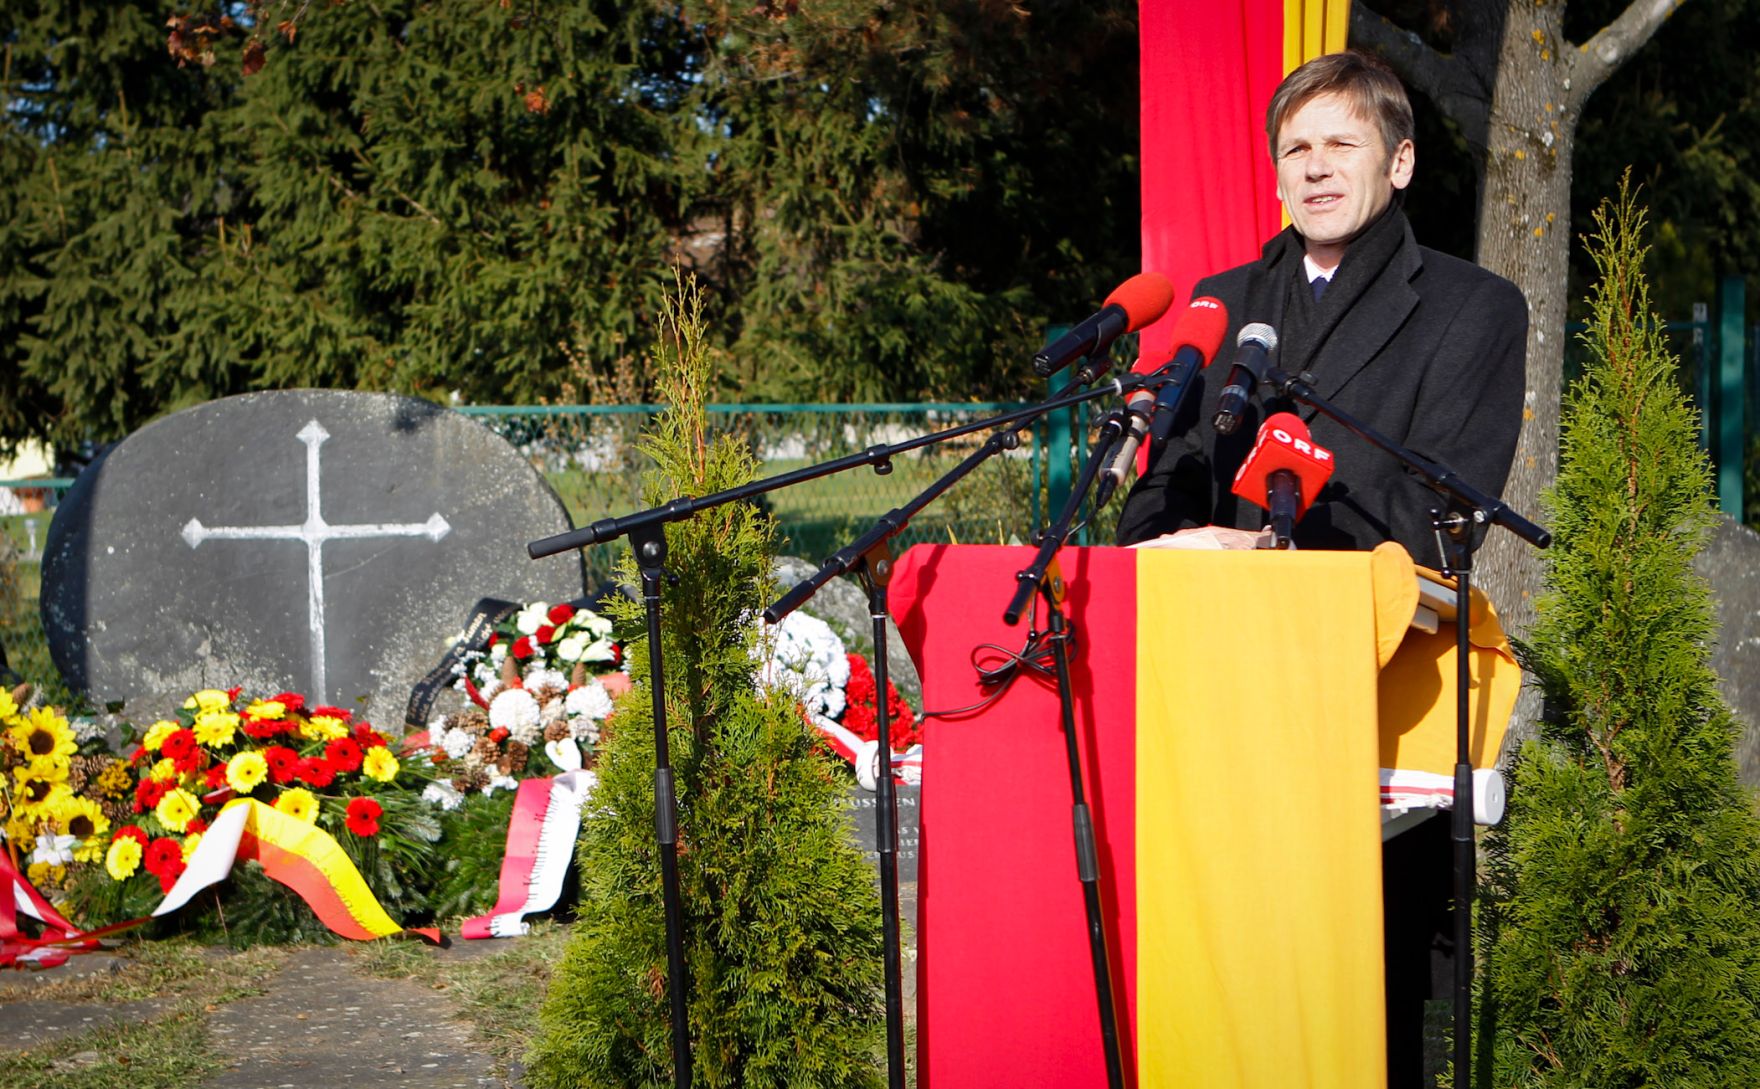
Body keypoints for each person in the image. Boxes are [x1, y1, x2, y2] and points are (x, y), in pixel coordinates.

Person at [1115, 49, 1527, 568]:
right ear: (1277, 172)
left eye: (1341, 144)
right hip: (1215, 621)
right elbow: (1174, 476)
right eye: (1296, 150)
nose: (1315, 168)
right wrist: (1160, 552)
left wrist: (1267, 548)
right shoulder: (1224, 300)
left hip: (1375, 627)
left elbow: (1443, 514)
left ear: (1400, 163)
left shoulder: (1473, 307)